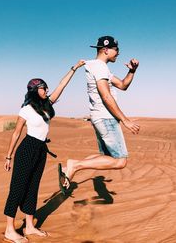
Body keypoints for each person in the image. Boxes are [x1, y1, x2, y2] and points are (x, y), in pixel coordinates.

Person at [3, 60, 85, 243]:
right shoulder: (26, 109)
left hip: (40, 149)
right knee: (17, 188)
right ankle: (10, 229)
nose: (46, 90)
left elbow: (62, 85)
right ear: (34, 90)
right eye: (42, 88)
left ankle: (30, 226)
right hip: (27, 149)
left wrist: (74, 68)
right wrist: (8, 156)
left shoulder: (46, 105)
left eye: (46, 87)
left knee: (33, 188)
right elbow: (16, 133)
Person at [58, 35, 140, 193]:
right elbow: (106, 96)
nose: (118, 53)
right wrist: (125, 120)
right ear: (106, 50)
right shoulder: (99, 67)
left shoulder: (100, 68)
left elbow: (123, 85)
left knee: (106, 158)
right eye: (116, 50)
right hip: (106, 118)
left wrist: (132, 71)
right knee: (120, 161)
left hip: (101, 117)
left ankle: (69, 168)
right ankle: (75, 165)